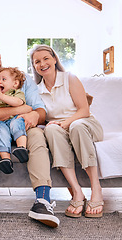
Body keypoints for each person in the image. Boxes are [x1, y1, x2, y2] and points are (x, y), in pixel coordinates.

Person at [0, 38, 60, 228]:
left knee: (35, 133)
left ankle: (42, 200)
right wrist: (21, 109)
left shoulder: (20, 78)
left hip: (21, 128)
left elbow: (40, 111)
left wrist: (33, 113)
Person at [30, 44, 104, 218]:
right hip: (62, 130)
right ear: (34, 66)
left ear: (54, 59)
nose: (42, 64)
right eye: (37, 61)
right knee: (51, 131)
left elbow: (83, 110)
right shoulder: (36, 90)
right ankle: (77, 192)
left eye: (46, 58)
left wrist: (66, 123)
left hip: (84, 123)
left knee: (76, 127)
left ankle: (96, 189)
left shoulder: (69, 78)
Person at [0, 67, 30, 174]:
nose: (0, 82)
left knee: (17, 124)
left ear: (15, 83)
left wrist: (1, 95)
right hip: (2, 122)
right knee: (2, 133)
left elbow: (18, 103)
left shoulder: (16, 92)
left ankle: (22, 148)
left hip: (15, 118)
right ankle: (6, 159)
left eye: (4, 79)